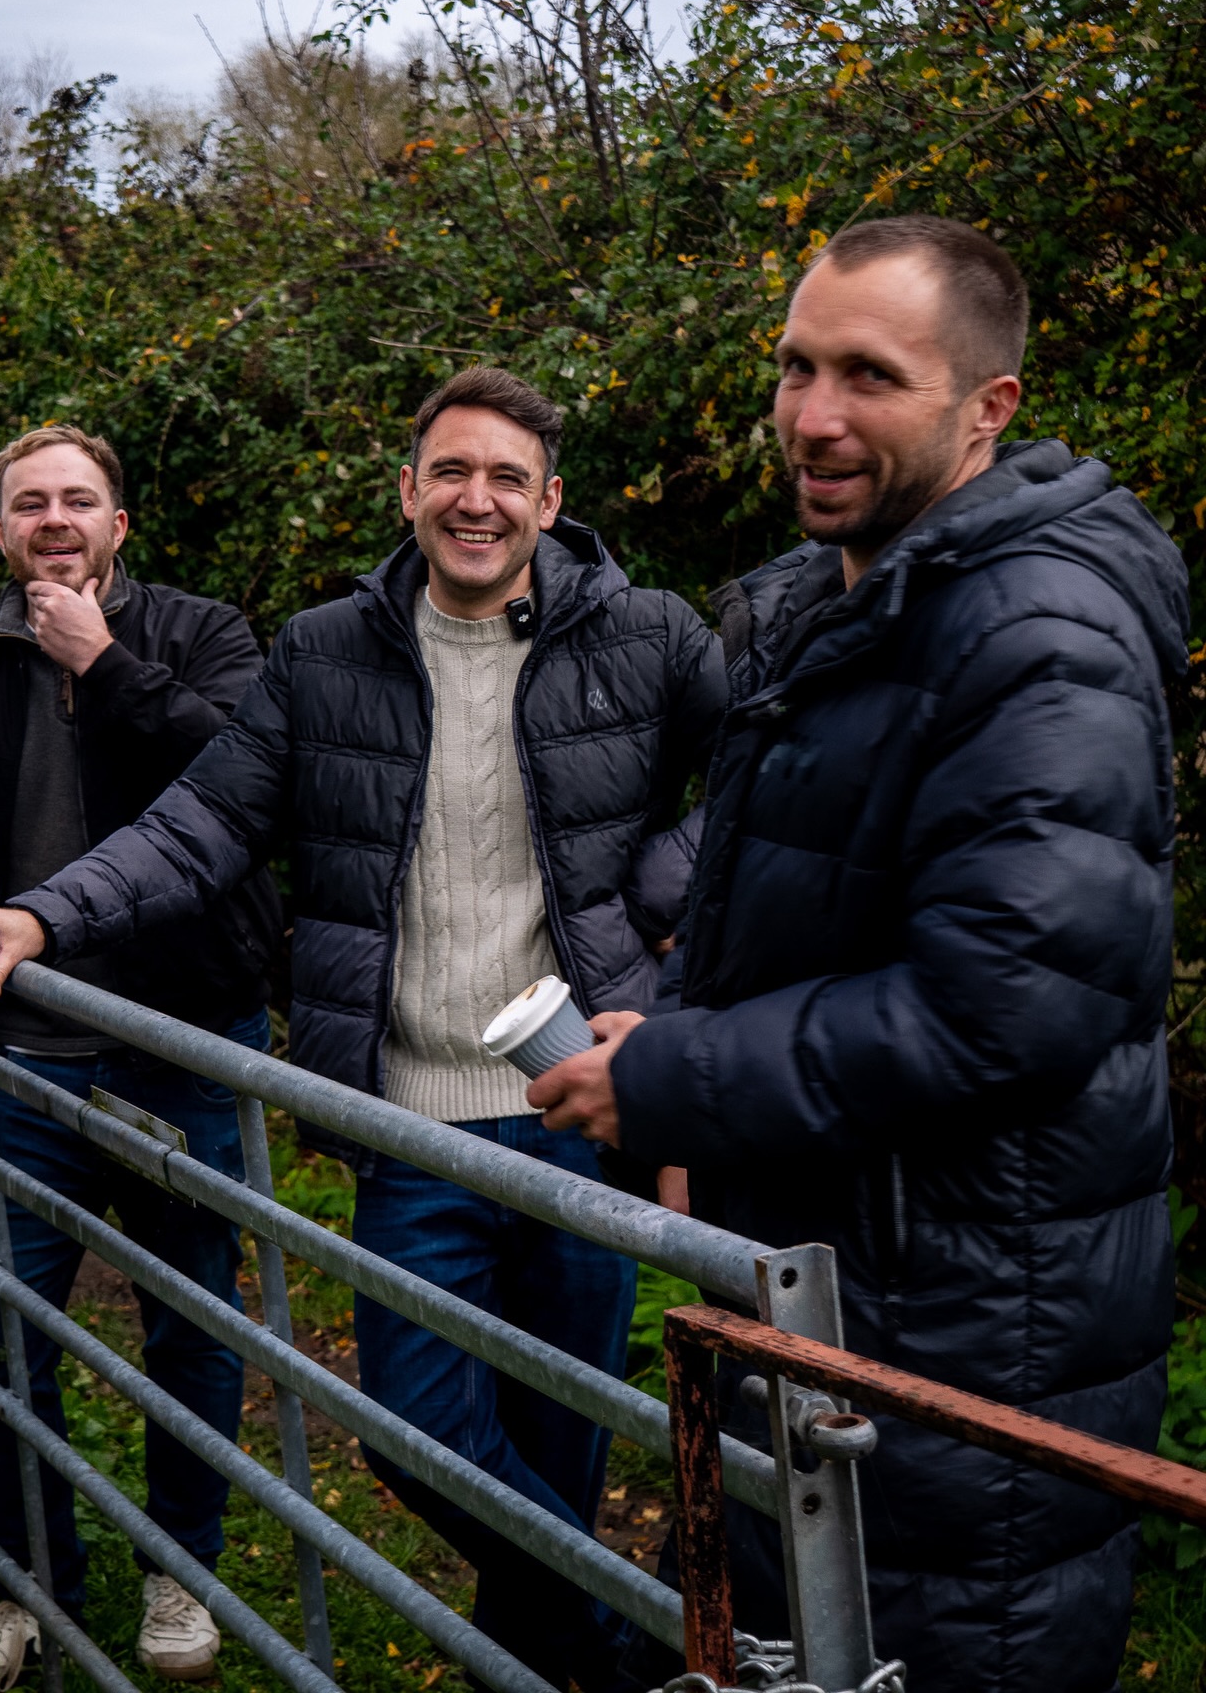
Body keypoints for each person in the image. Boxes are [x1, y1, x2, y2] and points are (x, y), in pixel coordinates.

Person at [0, 367, 729, 1692]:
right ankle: (623, 1651)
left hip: (575, 1110)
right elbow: (204, 824)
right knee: (415, 1433)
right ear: (409, 489)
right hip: (407, 1117)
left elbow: (768, 781)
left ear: (551, 501)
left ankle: (537, 1668)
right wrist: (43, 919)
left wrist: (667, 907)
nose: (475, 501)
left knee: (559, 1436)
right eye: (450, 473)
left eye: (505, 479)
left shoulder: (645, 634)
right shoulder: (325, 651)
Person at [529, 216, 1188, 1693]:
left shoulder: (1036, 632)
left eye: (871, 378)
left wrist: (685, 1077)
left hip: (970, 1329)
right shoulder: (853, 596)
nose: (814, 418)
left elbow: (1005, 1005)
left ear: (987, 406)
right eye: (795, 368)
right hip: (846, 1285)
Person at [0, 424, 283, 1687]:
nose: (53, 520)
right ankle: (25, 1594)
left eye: (77, 501)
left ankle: (177, 1580)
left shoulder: (202, 637)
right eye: (28, 504)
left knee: (189, 1320)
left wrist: (110, 665)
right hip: (21, 1057)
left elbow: (252, 788)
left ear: (119, 526)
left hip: (182, 1046)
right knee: (1, 1326)